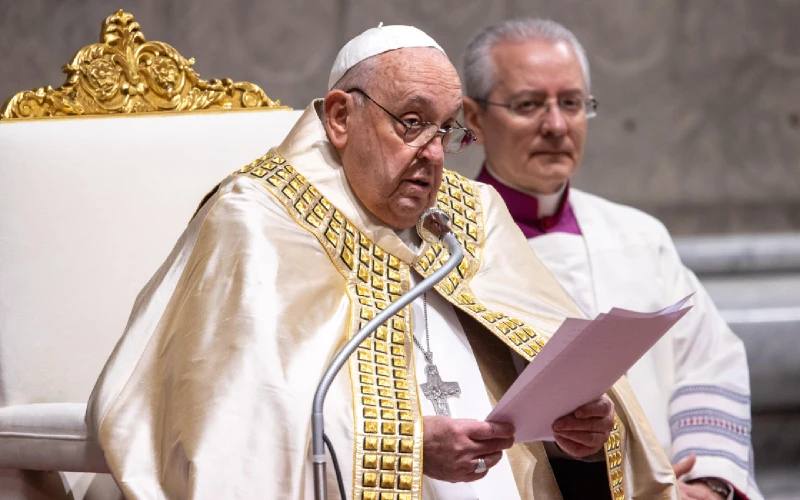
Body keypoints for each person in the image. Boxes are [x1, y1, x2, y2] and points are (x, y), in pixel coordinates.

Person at [87, 24, 677, 499]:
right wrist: (404, 447)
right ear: (341, 118)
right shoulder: (257, 216)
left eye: (447, 131)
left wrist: (573, 435)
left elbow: (537, 380)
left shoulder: (468, 214)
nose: (434, 156)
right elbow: (225, 426)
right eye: (412, 123)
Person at [462, 18, 763, 500]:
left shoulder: (639, 236)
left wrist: (708, 483)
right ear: (473, 117)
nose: (556, 125)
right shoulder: (446, 247)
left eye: (572, 103)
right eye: (528, 105)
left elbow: (708, 362)